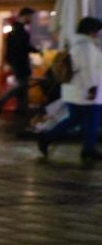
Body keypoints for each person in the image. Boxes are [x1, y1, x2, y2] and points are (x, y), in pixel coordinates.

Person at [39, 17, 102, 162]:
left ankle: (48, 138)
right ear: (92, 31)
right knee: (91, 119)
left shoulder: (75, 44)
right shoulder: (86, 47)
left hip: (75, 90)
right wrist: (92, 88)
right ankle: (88, 149)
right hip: (85, 91)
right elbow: (88, 69)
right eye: (97, 31)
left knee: (76, 118)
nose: (98, 34)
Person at [0, 7, 40, 130]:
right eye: (30, 17)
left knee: (23, 87)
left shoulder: (15, 29)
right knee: (21, 86)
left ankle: (21, 109)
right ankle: (1, 101)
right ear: (25, 16)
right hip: (20, 63)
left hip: (17, 62)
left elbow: (13, 47)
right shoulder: (19, 30)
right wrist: (37, 50)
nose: (31, 20)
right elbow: (23, 47)